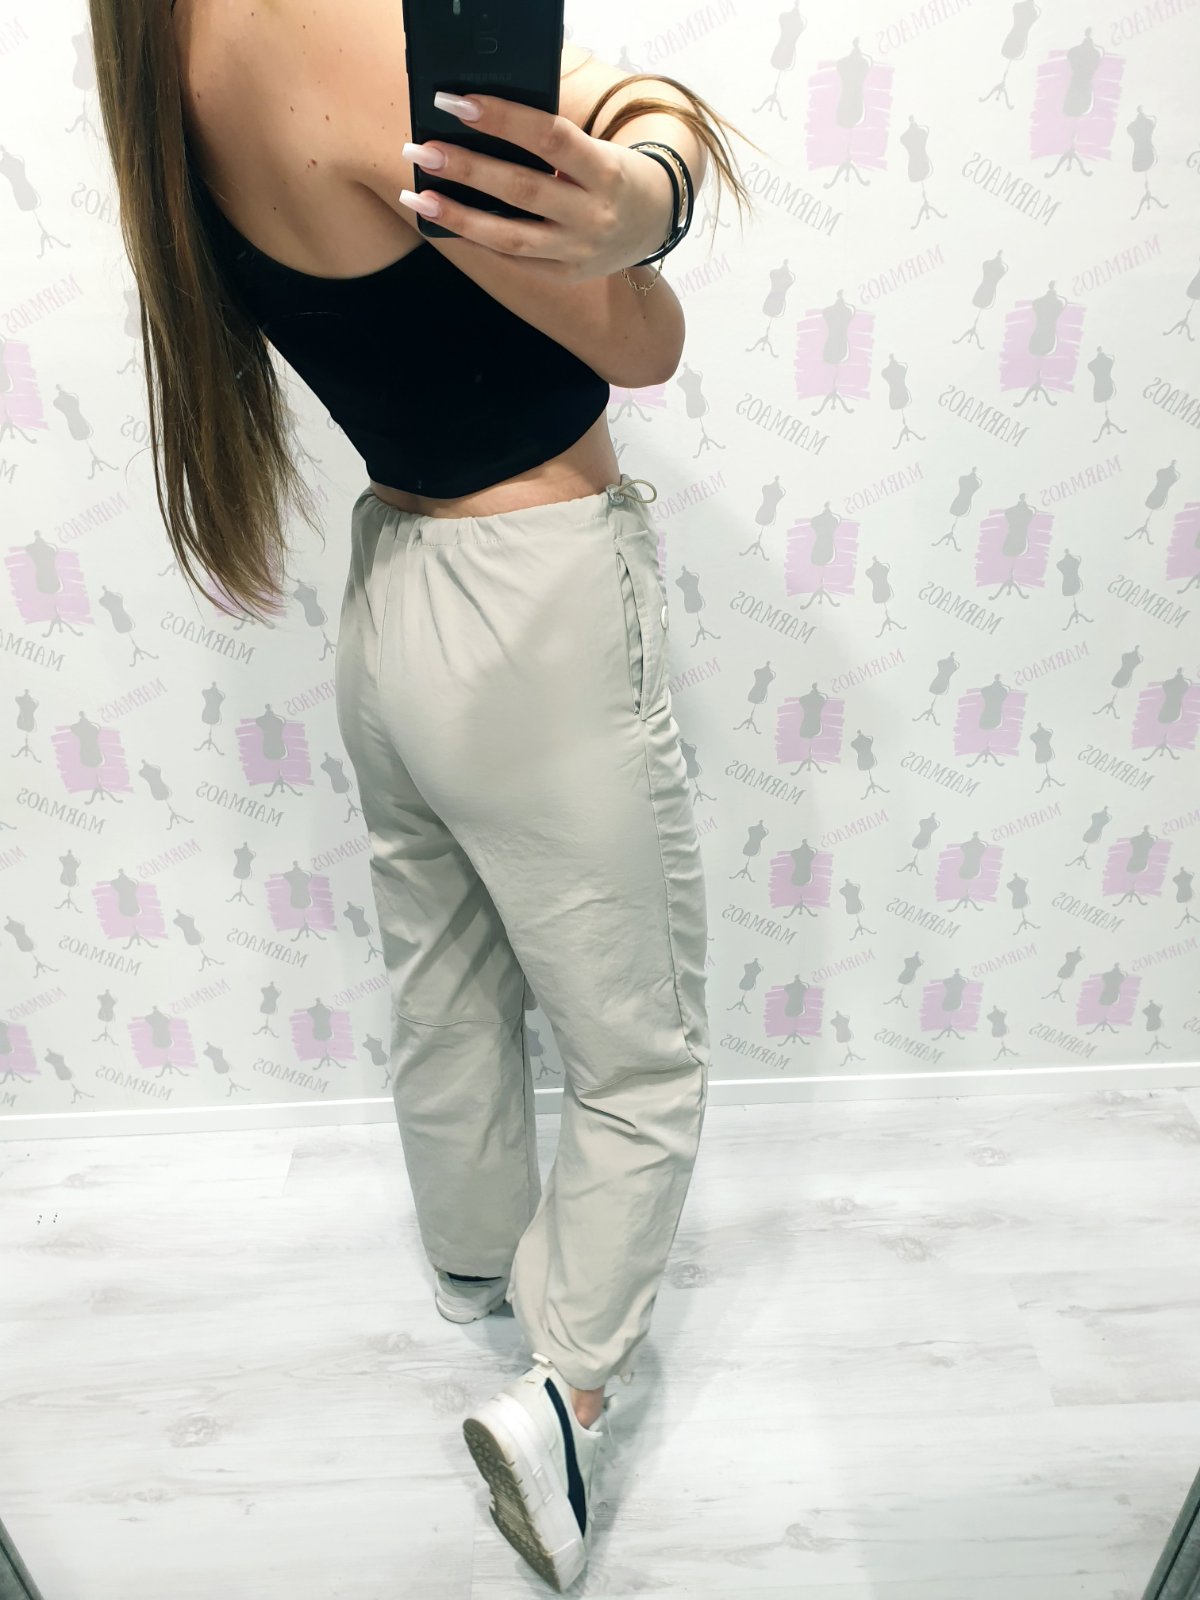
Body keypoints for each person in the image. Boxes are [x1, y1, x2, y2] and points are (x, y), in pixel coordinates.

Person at [88, 0, 759, 1585]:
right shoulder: (338, 30)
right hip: (533, 597)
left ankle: (472, 1270)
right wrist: (655, 186)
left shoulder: (165, 54)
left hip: (392, 588)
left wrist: (637, 171)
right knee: (638, 1054)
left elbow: (579, 158)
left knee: (449, 977)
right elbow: (643, 339)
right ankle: (567, 1399)